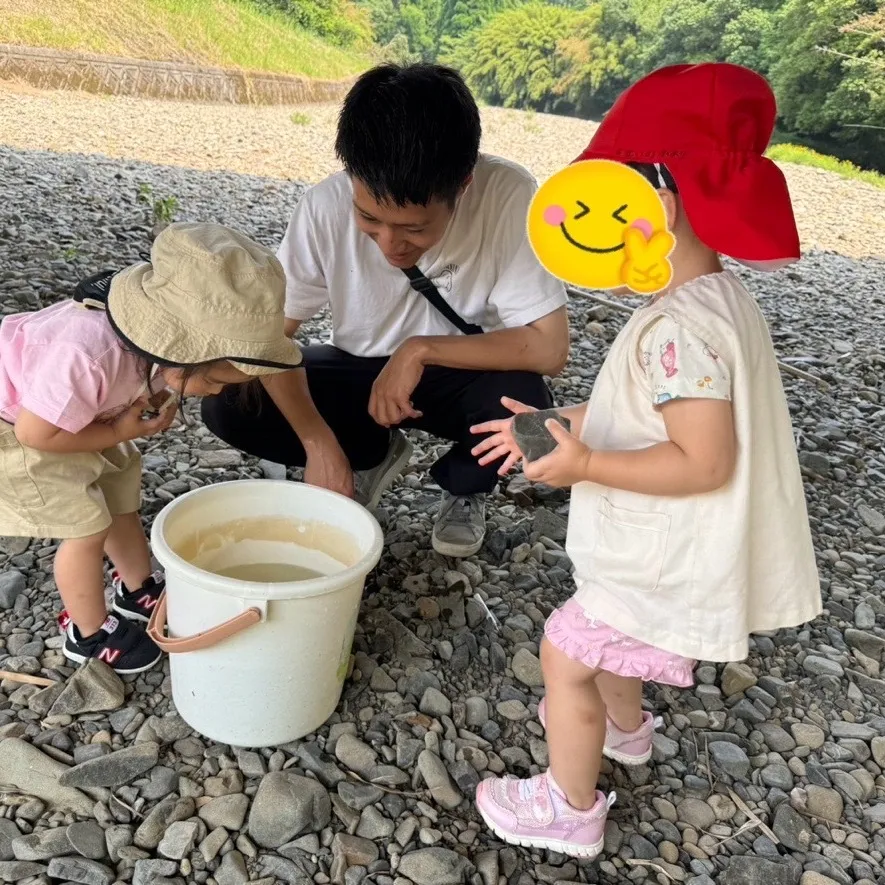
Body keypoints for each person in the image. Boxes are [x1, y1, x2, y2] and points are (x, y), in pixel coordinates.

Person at [469, 62, 822, 858]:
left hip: (663, 550)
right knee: (611, 640)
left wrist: (584, 464)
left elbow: (702, 459)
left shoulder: (677, 331)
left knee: (565, 654)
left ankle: (568, 806)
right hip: (665, 546)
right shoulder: (714, 300)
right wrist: (554, 422)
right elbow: (646, 409)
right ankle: (624, 731)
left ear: (654, 204)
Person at [201, 63, 569, 558]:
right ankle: (365, 454)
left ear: (462, 185)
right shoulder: (323, 206)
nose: (390, 245)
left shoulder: (509, 194)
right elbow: (269, 338)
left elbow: (549, 348)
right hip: (358, 369)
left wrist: (417, 351)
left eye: (414, 229)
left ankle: (464, 487)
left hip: (463, 371)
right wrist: (318, 443)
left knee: (526, 404)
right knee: (233, 398)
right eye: (369, 219)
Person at [0, 222, 303, 674]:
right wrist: (120, 431)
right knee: (85, 525)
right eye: (214, 380)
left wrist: (135, 419)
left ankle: (136, 586)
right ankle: (88, 633)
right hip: (19, 428)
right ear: (180, 353)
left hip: (82, 418)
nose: (217, 393)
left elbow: (151, 386)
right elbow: (36, 435)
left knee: (120, 491)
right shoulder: (85, 355)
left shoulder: (157, 345)